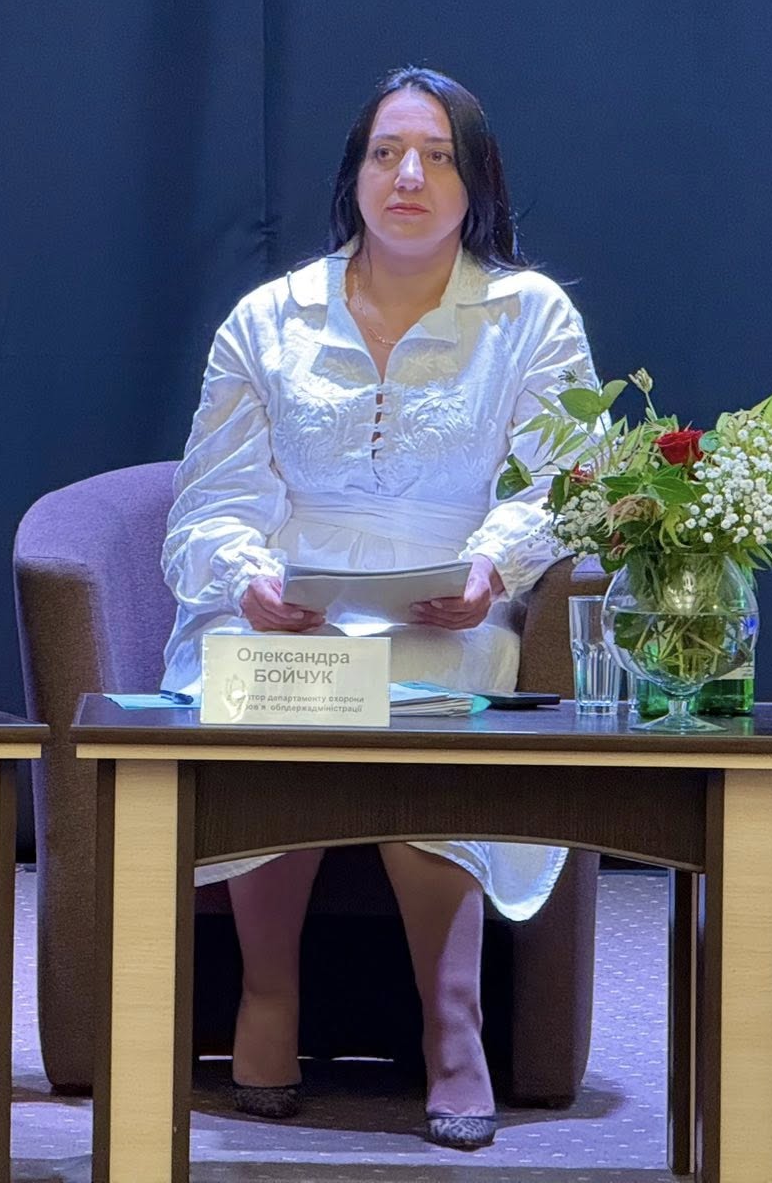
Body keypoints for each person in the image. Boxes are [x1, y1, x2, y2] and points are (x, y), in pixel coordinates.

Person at [160, 67, 594, 1150]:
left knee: (425, 702)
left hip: (447, 607)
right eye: (386, 153)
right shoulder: (268, 319)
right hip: (289, 602)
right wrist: (249, 579)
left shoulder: (530, 315)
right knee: (264, 687)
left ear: (474, 180)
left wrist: (491, 569)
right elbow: (210, 500)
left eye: (437, 155)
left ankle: (453, 1027)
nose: (408, 176)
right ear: (353, 174)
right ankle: (267, 997)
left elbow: (563, 484)